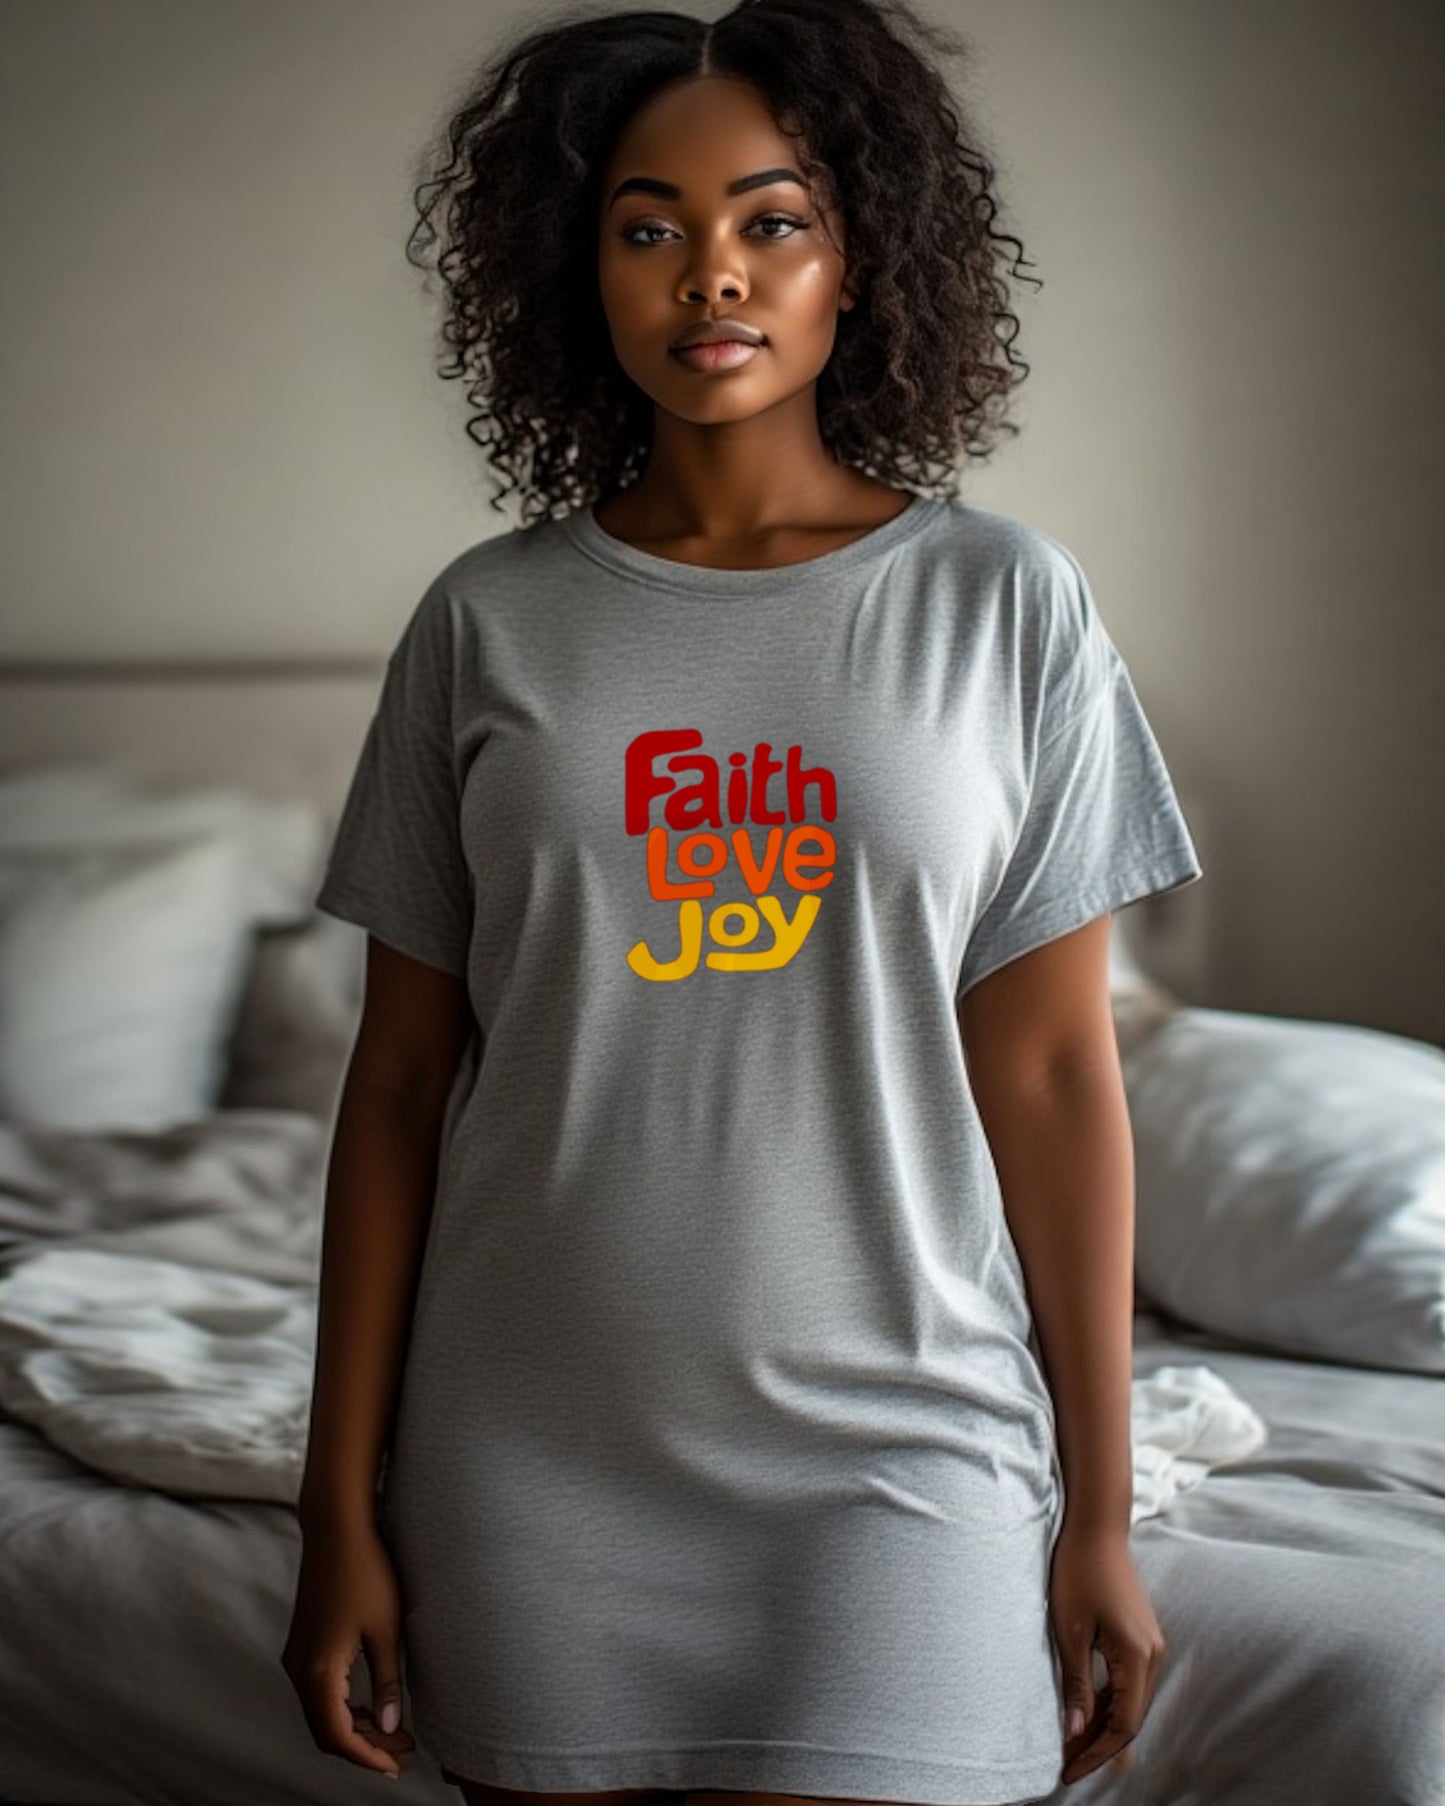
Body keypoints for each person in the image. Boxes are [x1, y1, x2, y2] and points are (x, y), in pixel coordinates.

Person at [281, 2, 1200, 1802]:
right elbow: (394, 1092)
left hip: (902, 1456)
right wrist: (340, 1511)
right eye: (649, 226)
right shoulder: (485, 622)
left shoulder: (1005, 607)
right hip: (528, 1455)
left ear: (861, 259)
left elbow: (1054, 1083)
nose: (712, 273)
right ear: (580, 275)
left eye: (772, 219)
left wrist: (1097, 1511)